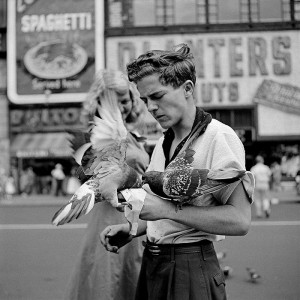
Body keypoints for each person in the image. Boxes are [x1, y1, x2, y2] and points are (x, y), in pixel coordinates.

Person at [100, 44, 254, 300]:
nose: (150, 107)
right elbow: (164, 214)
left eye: (157, 96)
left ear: (187, 89)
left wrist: (164, 210)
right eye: (145, 100)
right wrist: (133, 229)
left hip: (190, 266)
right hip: (154, 263)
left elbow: (240, 220)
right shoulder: (163, 141)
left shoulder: (219, 137)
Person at [64, 70, 149, 300]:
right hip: (111, 218)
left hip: (140, 220)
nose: (121, 107)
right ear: (99, 102)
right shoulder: (93, 137)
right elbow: (90, 176)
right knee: (108, 283)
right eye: (113, 101)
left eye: (125, 100)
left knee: (132, 280)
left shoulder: (133, 135)